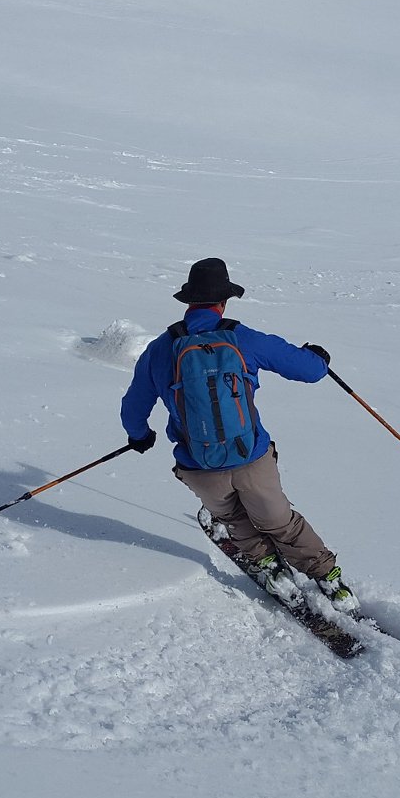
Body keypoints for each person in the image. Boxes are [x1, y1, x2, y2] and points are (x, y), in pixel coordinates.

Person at [120, 257, 359, 613]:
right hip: (252, 458)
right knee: (280, 521)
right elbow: (310, 371)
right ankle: (330, 580)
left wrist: (139, 436)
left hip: (199, 464)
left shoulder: (160, 349)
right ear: (224, 301)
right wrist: (318, 358)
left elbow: (133, 407)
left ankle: (268, 566)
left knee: (234, 518)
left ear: (189, 301)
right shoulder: (241, 338)